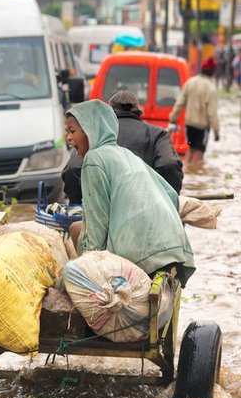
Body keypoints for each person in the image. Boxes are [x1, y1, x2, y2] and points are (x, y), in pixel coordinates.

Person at [65, 100, 195, 286]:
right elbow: (171, 194)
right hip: (175, 252)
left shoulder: (93, 159)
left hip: (137, 257)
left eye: (72, 131)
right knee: (80, 228)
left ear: (89, 129)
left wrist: (90, 269)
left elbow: (97, 225)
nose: (68, 138)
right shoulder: (126, 154)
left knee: (74, 237)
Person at [62, 89, 183, 203]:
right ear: (138, 112)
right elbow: (169, 165)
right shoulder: (158, 134)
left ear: (108, 114)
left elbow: (73, 169)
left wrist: (78, 204)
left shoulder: (94, 135)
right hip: (149, 205)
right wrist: (168, 202)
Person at [168, 56, 220, 173]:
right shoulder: (211, 88)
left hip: (189, 125)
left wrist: (173, 118)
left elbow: (180, 103)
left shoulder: (190, 83)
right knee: (199, 152)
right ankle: (194, 173)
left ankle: (185, 171)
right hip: (202, 127)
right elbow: (212, 113)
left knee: (190, 148)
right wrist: (216, 132)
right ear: (212, 72)